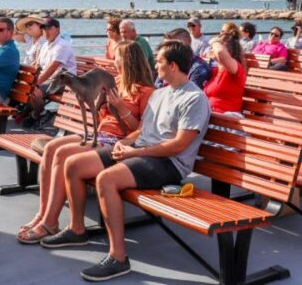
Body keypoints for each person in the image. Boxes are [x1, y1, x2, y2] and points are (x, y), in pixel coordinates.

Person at [40, 41, 211, 282]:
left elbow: (179, 145)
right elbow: (142, 131)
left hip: (168, 163)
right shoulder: (161, 93)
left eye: (160, 61)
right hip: (143, 151)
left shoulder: (194, 99)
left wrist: (135, 153)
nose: (155, 65)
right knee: (74, 165)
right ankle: (77, 230)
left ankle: (118, 257)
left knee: (106, 180)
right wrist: (127, 144)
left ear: (172, 66)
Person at [16, 41, 155, 243]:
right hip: (100, 134)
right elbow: (101, 120)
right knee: (53, 147)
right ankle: (42, 214)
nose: (113, 61)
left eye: (116, 58)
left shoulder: (146, 91)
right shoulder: (114, 83)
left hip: (118, 141)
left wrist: (121, 108)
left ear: (128, 61)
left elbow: (141, 132)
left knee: (63, 154)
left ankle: (50, 222)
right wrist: (100, 102)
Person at [27, 17, 78, 124]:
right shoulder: (45, 45)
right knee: (24, 87)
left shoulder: (62, 45)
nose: (45, 31)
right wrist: (30, 78)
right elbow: (38, 64)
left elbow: (53, 67)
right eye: (44, 29)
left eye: (49, 28)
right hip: (51, 79)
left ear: (58, 29)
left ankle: (38, 114)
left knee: (34, 91)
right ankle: (41, 113)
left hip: (65, 80)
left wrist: (36, 83)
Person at [203, 23, 247, 114]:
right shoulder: (215, 70)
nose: (214, 49)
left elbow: (220, 53)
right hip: (210, 114)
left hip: (227, 117)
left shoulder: (236, 69)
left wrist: (215, 41)